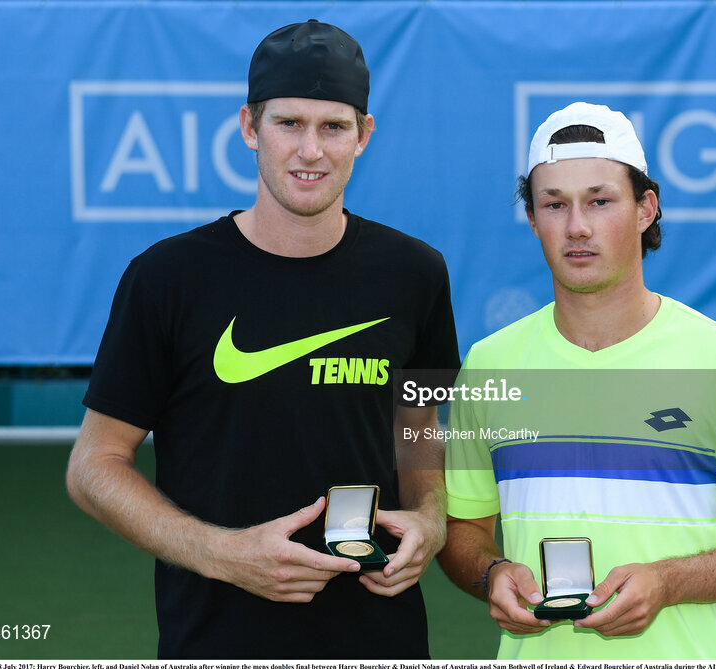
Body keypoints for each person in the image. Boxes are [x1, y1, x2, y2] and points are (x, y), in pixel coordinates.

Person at [66, 20, 460, 659]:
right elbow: (93, 467)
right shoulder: (167, 278)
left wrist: (431, 519)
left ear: (364, 135)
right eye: (289, 124)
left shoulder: (415, 273)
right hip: (217, 638)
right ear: (250, 127)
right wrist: (225, 555)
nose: (311, 151)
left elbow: (415, 419)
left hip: (380, 637)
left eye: (333, 127)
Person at [438, 102, 716, 659]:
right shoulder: (490, 364)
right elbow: (462, 525)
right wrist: (491, 572)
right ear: (533, 218)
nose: (577, 227)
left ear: (646, 209)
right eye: (554, 204)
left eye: (599, 201)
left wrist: (669, 582)